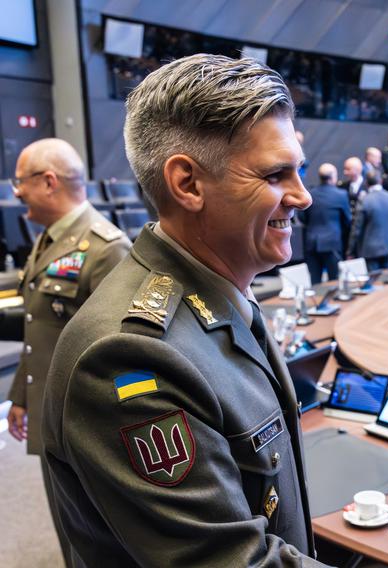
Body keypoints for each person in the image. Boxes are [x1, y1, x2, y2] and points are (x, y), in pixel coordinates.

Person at [42, 54, 328, 567]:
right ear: (189, 184)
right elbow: (232, 561)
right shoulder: (131, 355)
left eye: (299, 170)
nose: (302, 196)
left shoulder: (219, 295)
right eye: (275, 174)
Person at [1, 137, 130, 558]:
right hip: (48, 411)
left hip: (86, 425)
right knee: (65, 524)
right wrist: (21, 395)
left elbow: (124, 353)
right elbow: (39, 330)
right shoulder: (47, 239)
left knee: (94, 537)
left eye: (20, 182)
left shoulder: (106, 249)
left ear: (49, 181)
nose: (16, 192)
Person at [301, 163, 351, 283]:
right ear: (333, 176)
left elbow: (302, 217)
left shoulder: (310, 193)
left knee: (315, 282)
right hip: (332, 243)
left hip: (312, 242)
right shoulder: (341, 195)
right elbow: (347, 220)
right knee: (335, 281)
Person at [348, 172, 388, 270]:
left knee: (374, 282)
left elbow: (357, 229)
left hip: (370, 250)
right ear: (381, 181)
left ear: (366, 183)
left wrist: (350, 251)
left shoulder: (364, 200)